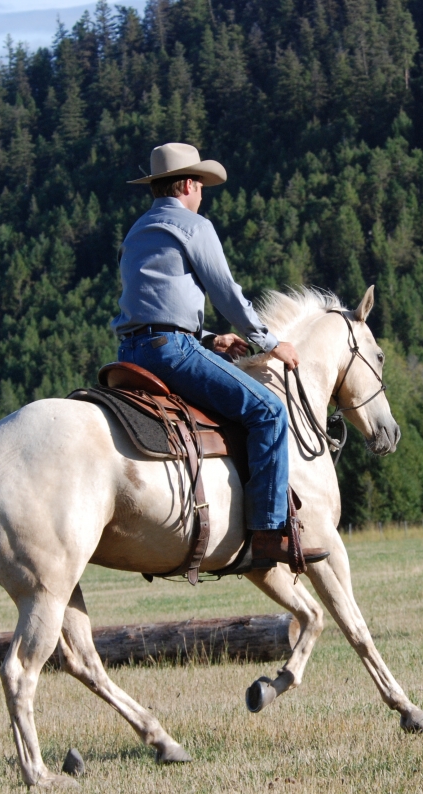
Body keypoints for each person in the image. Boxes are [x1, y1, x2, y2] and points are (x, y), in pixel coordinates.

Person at [112, 142, 328, 569]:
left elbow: (153, 305)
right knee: (268, 411)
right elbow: (228, 294)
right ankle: (268, 533)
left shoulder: (137, 232)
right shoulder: (194, 226)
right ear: (189, 184)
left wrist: (210, 339)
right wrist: (269, 342)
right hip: (172, 351)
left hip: (131, 351)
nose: (202, 194)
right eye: (201, 186)